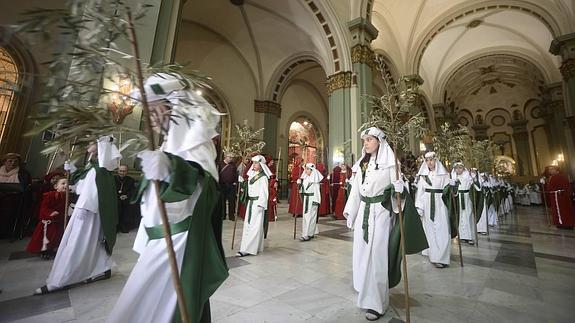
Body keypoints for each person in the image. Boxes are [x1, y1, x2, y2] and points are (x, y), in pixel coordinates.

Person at [107, 73, 228, 323]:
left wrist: (172, 169)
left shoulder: (195, 144)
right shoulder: (167, 145)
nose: (149, 119)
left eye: (154, 110)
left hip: (178, 243)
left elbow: (206, 186)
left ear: (174, 107)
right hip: (160, 239)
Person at [344, 127, 427, 321]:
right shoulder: (363, 165)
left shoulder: (391, 164)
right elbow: (357, 190)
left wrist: (401, 189)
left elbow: (399, 193)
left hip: (380, 214)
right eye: (364, 140)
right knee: (363, 254)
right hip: (364, 212)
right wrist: (351, 212)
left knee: (377, 257)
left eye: (369, 139)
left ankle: (377, 303)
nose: (365, 143)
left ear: (379, 142)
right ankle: (365, 293)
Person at [34, 136, 120, 295]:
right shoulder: (94, 168)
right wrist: (73, 171)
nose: (88, 144)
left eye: (92, 142)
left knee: (76, 243)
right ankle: (103, 268)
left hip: (87, 212)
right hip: (86, 210)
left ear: (100, 146)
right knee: (87, 243)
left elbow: (95, 194)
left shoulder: (100, 171)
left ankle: (62, 279)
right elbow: (80, 188)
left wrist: (83, 209)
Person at [415, 151, 456, 268]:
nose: (429, 162)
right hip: (427, 204)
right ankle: (432, 254)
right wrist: (420, 207)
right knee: (429, 229)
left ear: (436, 160)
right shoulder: (423, 176)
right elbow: (420, 192)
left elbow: (449, 193)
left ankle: (441, 257)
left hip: (440, 204)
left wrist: (452, 186)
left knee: (442, 228)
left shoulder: (444, 175)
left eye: (431, 160)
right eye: (427, 160)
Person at [236, 155, 271, 257]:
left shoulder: (263, 177)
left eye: (256, 163)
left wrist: (261, 204)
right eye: (253, 163)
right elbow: (248, 189)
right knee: (251, 224)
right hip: (250, 203)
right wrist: (242, 183)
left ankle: (248, 249)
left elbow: (264, 192)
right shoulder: (252, 175)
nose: (254, 165)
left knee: (254, 226)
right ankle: (258, 246)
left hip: (257, 203)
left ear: (261, 165)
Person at [26, 176, 67, 259]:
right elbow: (44, 207)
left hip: (58, 221)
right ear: (56, 186)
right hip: (49, 221)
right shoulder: (50, 196)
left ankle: (51, 249)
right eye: (63, 183)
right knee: (46, 237)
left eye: (67, 183)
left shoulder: (66, 196)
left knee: (55, 237)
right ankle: (44, 251)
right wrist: (50, 212)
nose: (66, 185)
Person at [452, 162, 475, 245]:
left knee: (467, 216)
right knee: (460, 216)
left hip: (466, 198)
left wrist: (473, 177)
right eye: (456, 168)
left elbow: (474, 183)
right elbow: (453, 189)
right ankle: (462, 236)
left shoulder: (467, 176)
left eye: (460, 168)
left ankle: (470, 237)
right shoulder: (454, 177)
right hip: (459, 198)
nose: (458, 170)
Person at [300, 163, 322, 241]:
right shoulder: (305, 178)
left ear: (312, 170)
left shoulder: (315, 181)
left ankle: (307, 234)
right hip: (306, 199)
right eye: (305, 169)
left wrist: (316, 201)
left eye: (308, 169)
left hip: (312, 200)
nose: (306, 170)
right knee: (306, 217)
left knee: (311, 217)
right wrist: (299, 185)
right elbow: (303, 190)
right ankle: (308, 233)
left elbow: (317, 192)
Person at [115, 164, 136, 232]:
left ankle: (124, 226)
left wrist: (126, 196)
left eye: (124, 171)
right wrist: (118, 196)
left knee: (130, 206)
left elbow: (132, 190)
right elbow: (110, 190)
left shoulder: (130, 180)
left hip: (126, 198)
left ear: (127, 172)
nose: (122, 173)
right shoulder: (113, 179)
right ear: (118, 171)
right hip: (115, 198)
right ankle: (116, 227)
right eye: (120, 171)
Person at [219, 153, 238, 221]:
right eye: (230, 157)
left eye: (232, 157)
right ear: (225, 157)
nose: (231, 159)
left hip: (231, 185)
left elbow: (236, 174)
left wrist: (236, 182)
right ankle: (223, 215)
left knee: (232, 201)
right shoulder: (220, 164)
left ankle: (231, 215)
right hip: (222, 185)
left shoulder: (233, 165)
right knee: (222, 201)